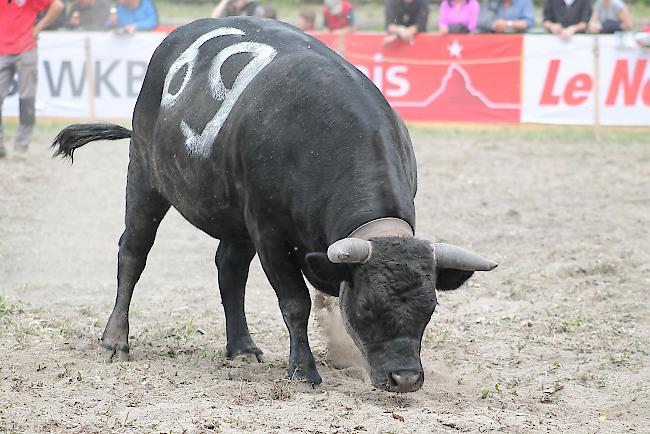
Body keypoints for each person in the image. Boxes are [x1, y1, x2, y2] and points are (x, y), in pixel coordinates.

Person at [0, 0, 64, 160]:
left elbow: (57, 5)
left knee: (26, 100)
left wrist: (38, 27)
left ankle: (21, 147)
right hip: (3, 50)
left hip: (26, 49)